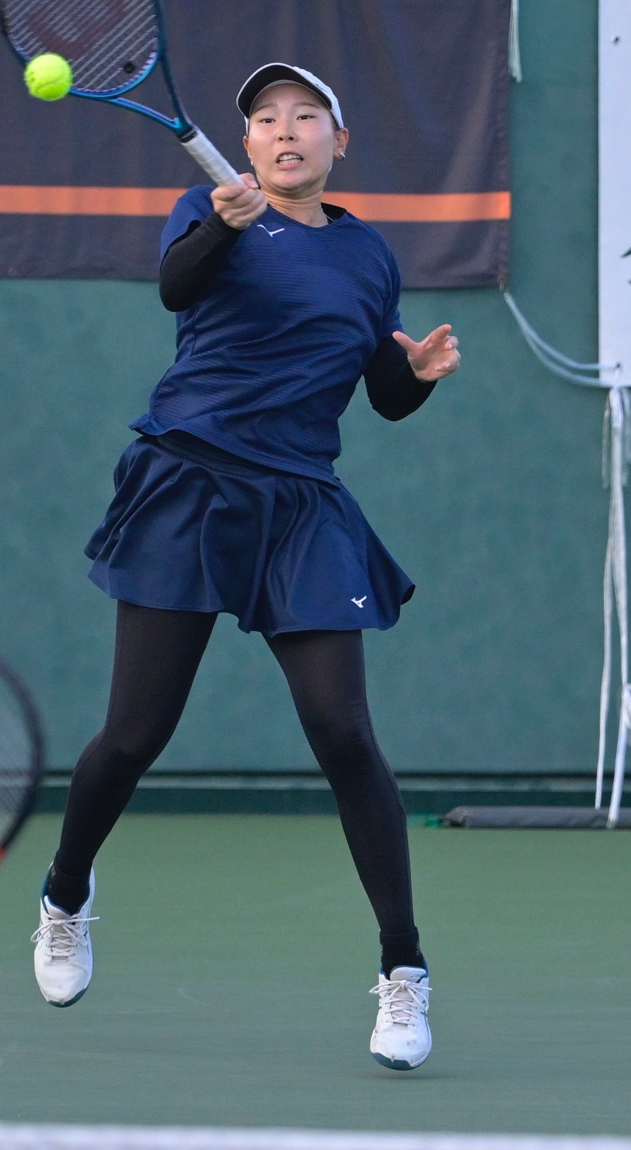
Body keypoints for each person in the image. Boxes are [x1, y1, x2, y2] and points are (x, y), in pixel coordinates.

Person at [30, 64, 461, 1071]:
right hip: (188, 481)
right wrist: (222, 227)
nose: (284, 131)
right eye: (265, 119)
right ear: (249, 145)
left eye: (306, 116)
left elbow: (380, 395)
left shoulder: (366, 255)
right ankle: (64, 895)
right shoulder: (208, 210)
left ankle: (403, 969)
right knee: (135, 733)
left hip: (300, 503)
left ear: (338, 142)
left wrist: (416, 376)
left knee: (342, 730)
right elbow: (175, 287)